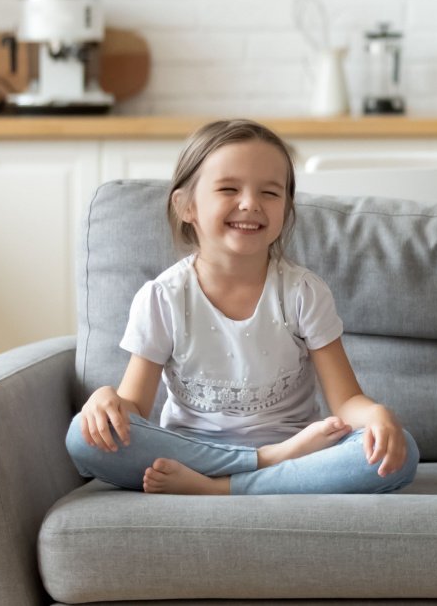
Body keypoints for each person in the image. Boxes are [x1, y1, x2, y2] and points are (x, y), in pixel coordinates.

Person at [66, 119, 418, 495]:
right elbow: (133, 405)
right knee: (82, 438)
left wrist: (376, 415)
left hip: (298, 450)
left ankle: (222, 487)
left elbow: (346, 400)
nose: (250, 204)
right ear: (186, 206)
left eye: (270, 192)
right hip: (202, 452)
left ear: (286, 207)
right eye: (229, 188)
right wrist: (107, 401)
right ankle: (265, 465)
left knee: (402, 453)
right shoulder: (163, 297)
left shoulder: (303, 292)